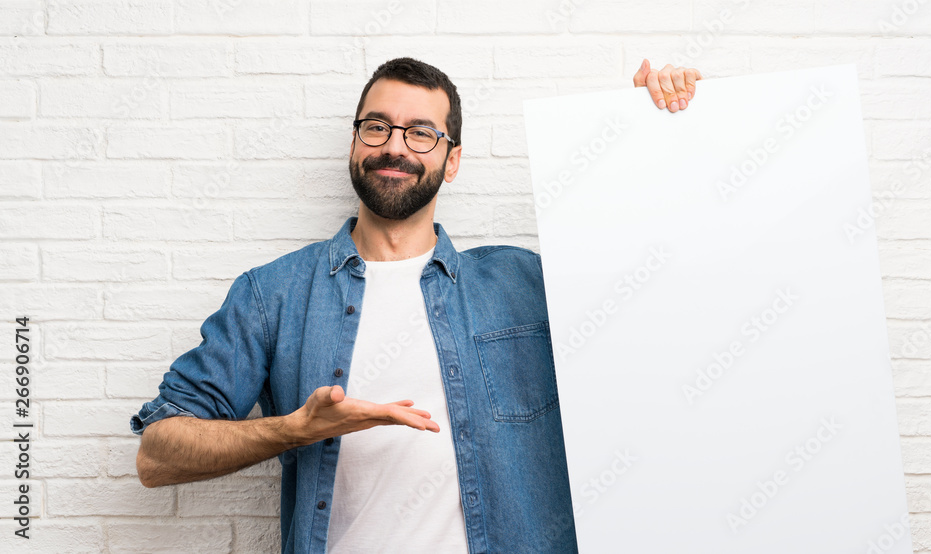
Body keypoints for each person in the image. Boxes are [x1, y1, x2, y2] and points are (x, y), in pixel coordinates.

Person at [131, 57, 701, 553]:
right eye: (377, 127)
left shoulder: (523, 282)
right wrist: (293, 429)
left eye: (421, 133)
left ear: (452, 160)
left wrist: (647, 135)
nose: (395, 146)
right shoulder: (274, 294)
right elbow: (158, 457)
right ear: (355, 145)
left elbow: (659, 305)